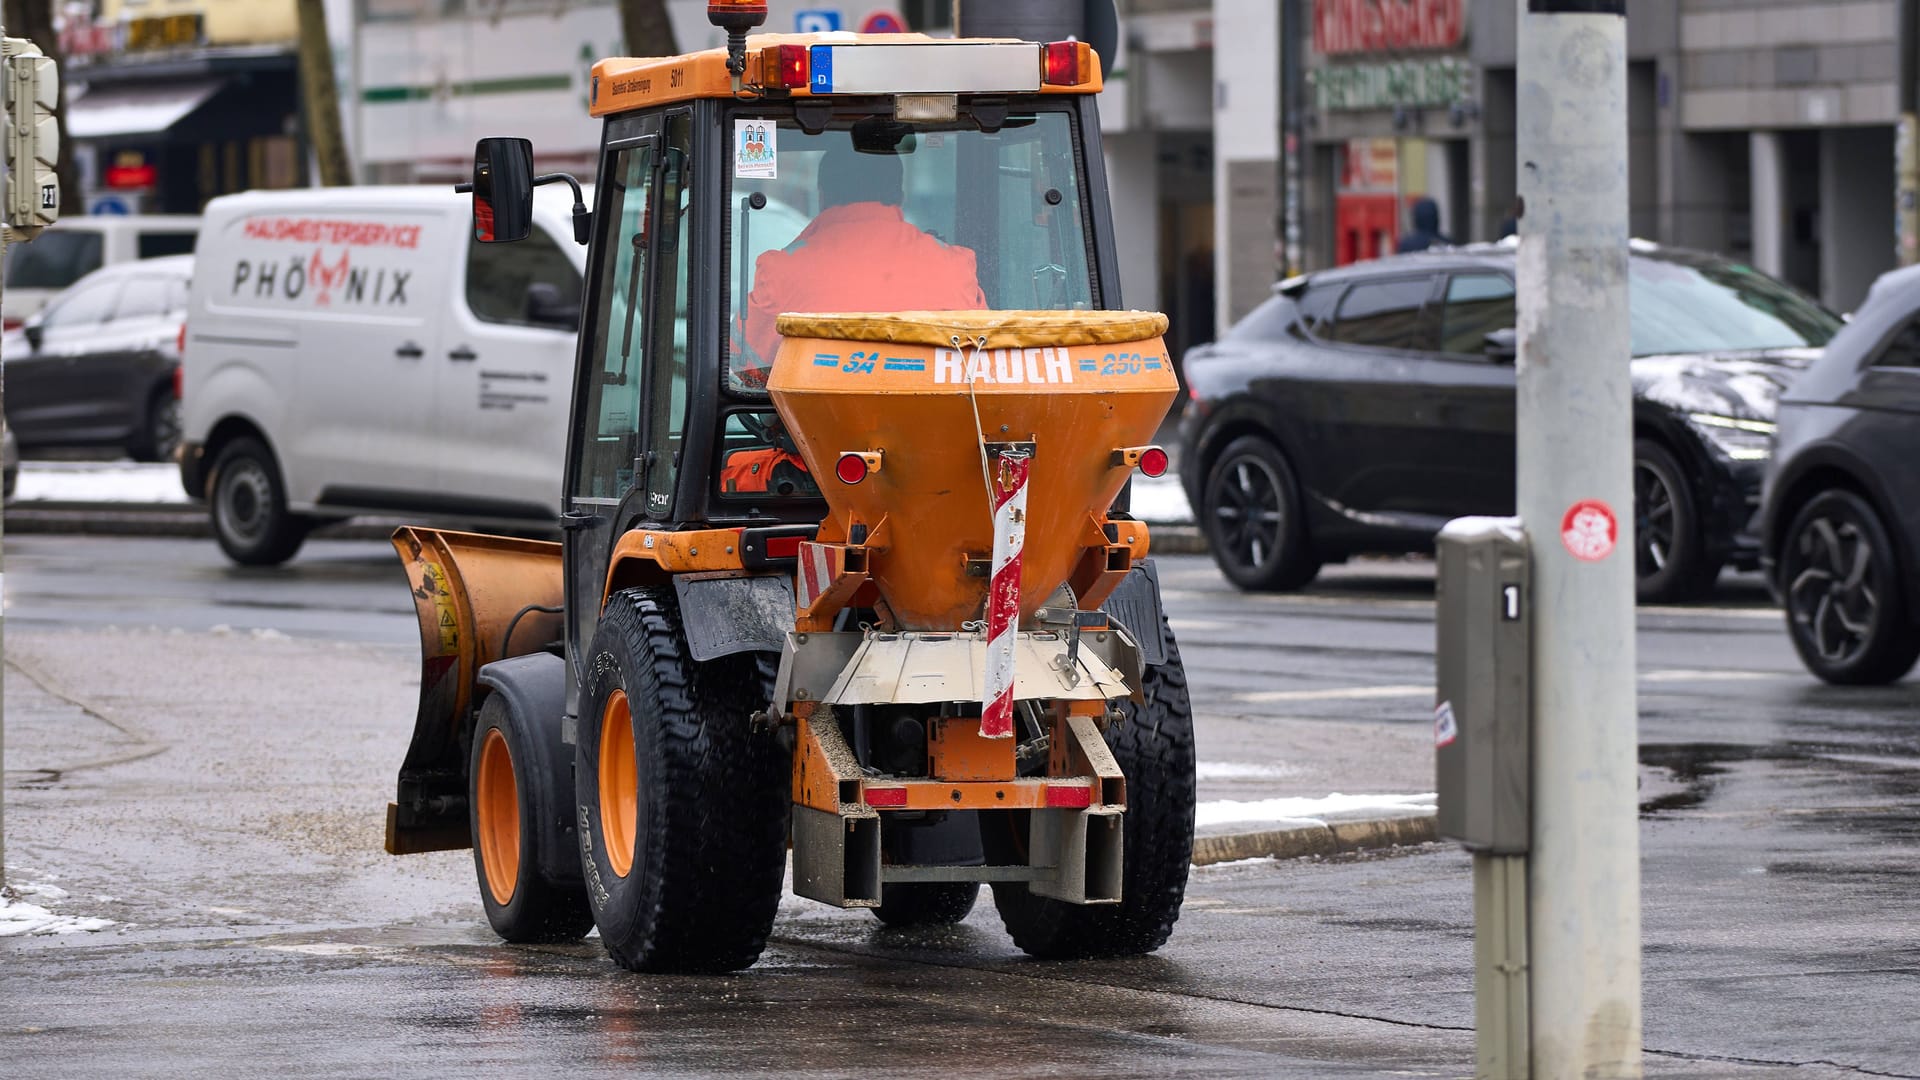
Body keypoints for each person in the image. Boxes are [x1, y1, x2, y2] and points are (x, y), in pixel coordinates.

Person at [735, 140, 987, 382]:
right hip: (934, 413)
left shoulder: (779, 270)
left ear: (822, 196)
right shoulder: (956, 266)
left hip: (813, 414)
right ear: (900, 197)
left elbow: (745, 372)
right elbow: (982, 362)